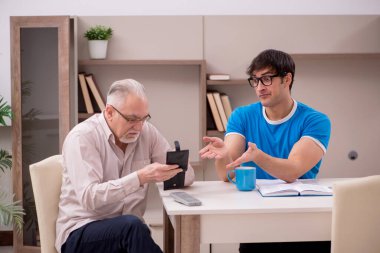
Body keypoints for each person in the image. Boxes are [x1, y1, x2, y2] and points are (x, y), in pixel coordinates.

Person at [200, 49, 331, 253]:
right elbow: (227, 173)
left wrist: (258, 156)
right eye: (255, 80)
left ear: (287, 79)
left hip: (304, 221)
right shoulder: (242, 116)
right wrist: (224, 155)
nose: (260, 87)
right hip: (257, 220)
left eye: (267, 79)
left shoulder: (315, 120)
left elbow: (293, 170)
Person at [56, 79, 195, 253]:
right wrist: (140, 177)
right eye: (131, 119)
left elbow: (188, 176)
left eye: (144, 118)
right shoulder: (83, 137)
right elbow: (89, 198)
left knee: (132, 227)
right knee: (132, 227)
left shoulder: (147, 132)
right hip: (81, 231)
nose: (138, 127)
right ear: (109, 112)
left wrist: (177, 167)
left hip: (128, 235)